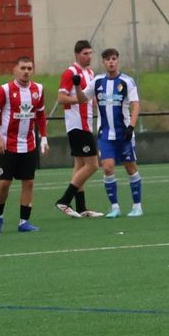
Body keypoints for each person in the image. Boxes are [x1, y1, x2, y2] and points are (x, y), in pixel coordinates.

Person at [0, 55, 50, 233]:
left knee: (28, 182)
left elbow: (40, 114)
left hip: (29, 144)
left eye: (29, 68)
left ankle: (24, 222)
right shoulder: (5, 90)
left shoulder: (38, 89)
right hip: (7, 145)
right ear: (15, 69)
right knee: (5, 183)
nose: (26, 72)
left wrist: (43, 137)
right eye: (23, 68)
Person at [53, 39, 104, 218]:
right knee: (93, 165)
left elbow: (91, 97)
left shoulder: (90, 73)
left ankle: (81, 208)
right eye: (85, 54)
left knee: (80, 165)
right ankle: (64, 200)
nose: (89, 57)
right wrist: (79, 100)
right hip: (77, 125)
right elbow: (61, 98)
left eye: (90, 53)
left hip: (86, 124)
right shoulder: (70, 73)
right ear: (77, 54)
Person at [95, 47, 143, 218]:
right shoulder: (97, 82)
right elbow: (83, 98)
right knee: (107, 168)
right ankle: (114, 207)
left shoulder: (127, 81)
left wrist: (131, 126)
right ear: (103, 62)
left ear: (118, 60)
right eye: (108, 59)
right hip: (105, 135)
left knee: (130, 168)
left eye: (114, 58)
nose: (111, 62)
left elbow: (135, 104)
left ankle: (137, 206)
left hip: (124, 134)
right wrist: (77, 86)